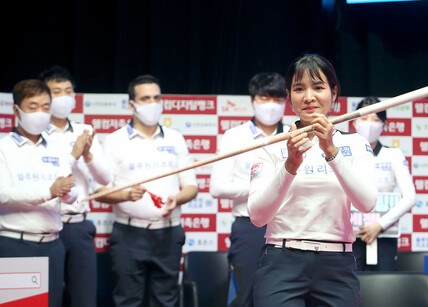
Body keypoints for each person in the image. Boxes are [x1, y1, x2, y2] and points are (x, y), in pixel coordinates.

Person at [247, 54, 378, 306]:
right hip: (280, 262)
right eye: (299, 89)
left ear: (334, 92)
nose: (309, 97)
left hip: (337, 265)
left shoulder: (355, 143)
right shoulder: (271, 146)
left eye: (318, 87)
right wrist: (289, 166)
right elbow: (258, 217)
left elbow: (367, 203)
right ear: (289, 97)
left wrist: (331, 152)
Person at [94, 74, 198, 307]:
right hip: (129, 234)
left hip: (168, 234)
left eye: (156, 98)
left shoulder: (176, 138)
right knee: (128, 300)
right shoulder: (114, 141)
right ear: (131, 104)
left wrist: (177, 199)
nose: (153, 104)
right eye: (145, 98)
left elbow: (191, 187)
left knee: (166, 300)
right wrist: (125, 195)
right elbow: (100, 191)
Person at [210, 72, 288, 307]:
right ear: (253, 100)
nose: (271, 105)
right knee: (241, 296)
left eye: (277, 99)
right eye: (265, 98)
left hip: (287, 227)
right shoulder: (235, 136)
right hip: (247, 228)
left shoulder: (296, 133)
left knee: (283, 297)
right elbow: (217, 187)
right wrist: (262, 188)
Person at [0, 79, 78, 307]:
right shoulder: (3, 148)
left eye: (46, 107)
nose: (41, 113)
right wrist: (49, 191)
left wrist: (67, 193)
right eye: (33, 107)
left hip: (53, 244)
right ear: (17, 110)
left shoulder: (57, 148)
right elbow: (3, 194)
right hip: (18, 243)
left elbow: (71, 194)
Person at [39, 66, 112, 307]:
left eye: (68, 91)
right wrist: (73, 153)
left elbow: (104, 178)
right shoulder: (35, 134)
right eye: (56, 91)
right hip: (44, 226)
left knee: (84, 299)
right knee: (46, 299)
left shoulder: (84, 130)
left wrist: (88, 154)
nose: (64, 97)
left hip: (78, 226)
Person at [352, 96, 416, 271]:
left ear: (384, 124)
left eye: (375, 119)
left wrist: (379, 225)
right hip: (349, 235)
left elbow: (410, 197)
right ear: (354, 123)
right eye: (364, 118)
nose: (369, 124)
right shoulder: (343, 154)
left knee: (382, 287)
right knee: (349, 288)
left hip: (384, 233)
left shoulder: (393, 155)